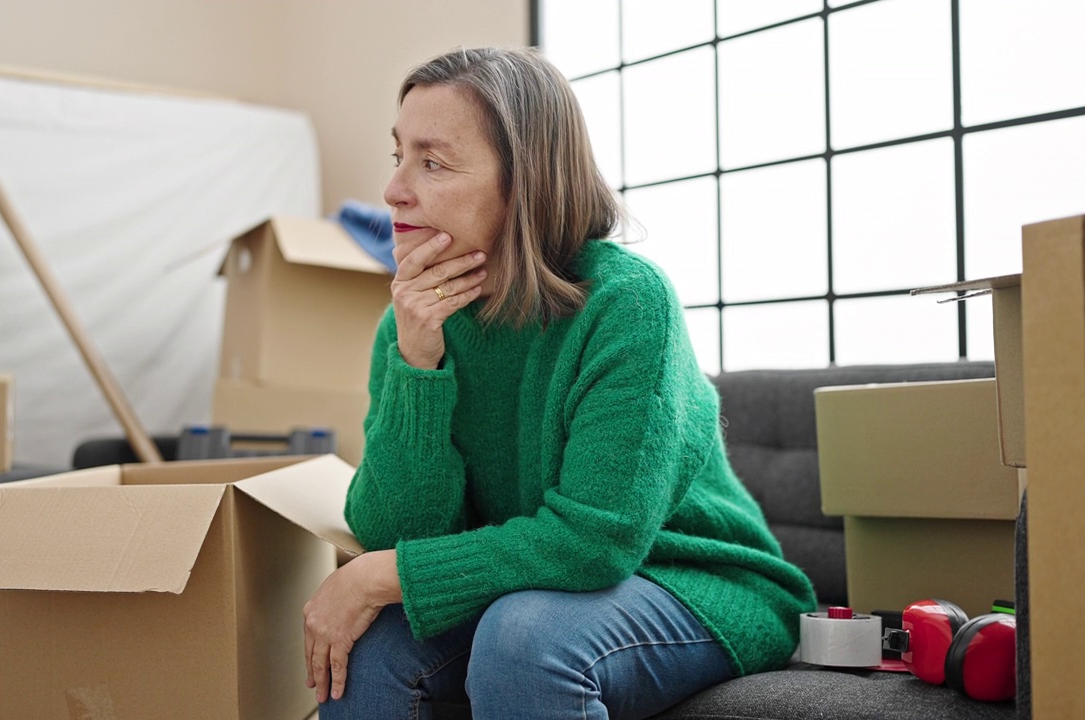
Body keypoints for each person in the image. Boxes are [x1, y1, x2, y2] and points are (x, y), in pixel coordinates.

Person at [302, 46, 817, 719]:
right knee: (372, 655)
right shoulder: (413, 323)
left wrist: (380, 576)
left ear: (527, 180)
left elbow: (596, 541)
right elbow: (395, 529)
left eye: (431, 162)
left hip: (693, 579)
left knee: (525, 640)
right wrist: (416, 368)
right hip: (531, 585)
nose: (395, 189)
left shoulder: (628, 302)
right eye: (397, 155)